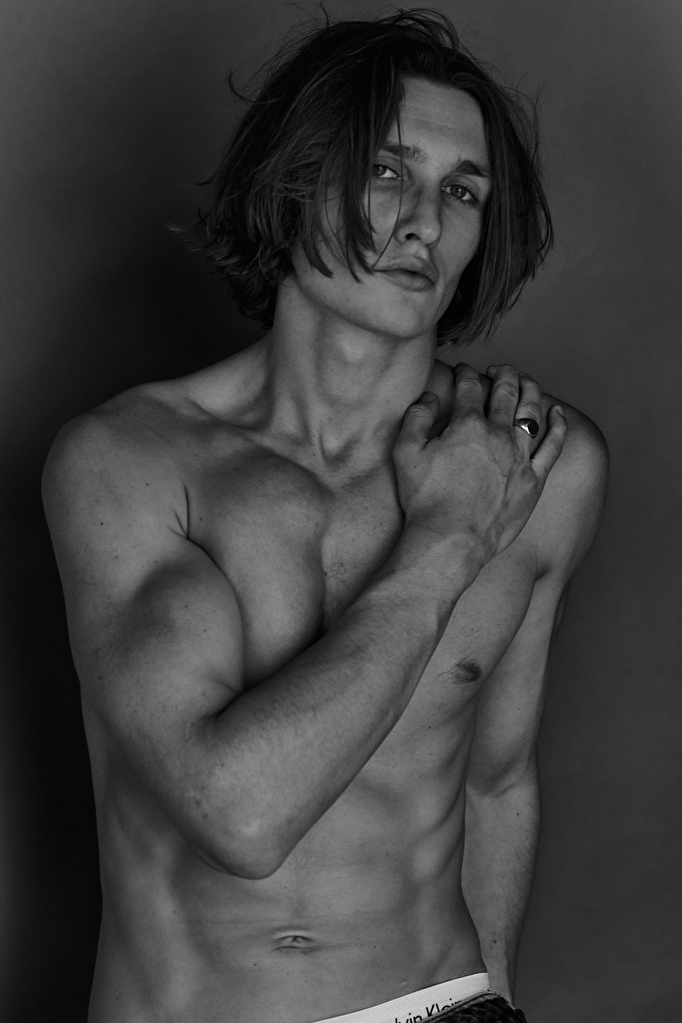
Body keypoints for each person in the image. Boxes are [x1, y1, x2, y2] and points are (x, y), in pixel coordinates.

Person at [42, 10, 608, 1023]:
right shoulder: (128, 463)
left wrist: (496, 1003)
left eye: (462, 191)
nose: (425, 222)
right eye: (386, 172)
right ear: (294, 180)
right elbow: (240, 813)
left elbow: (495, 780)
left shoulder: (540, 466)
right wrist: (448, 538)